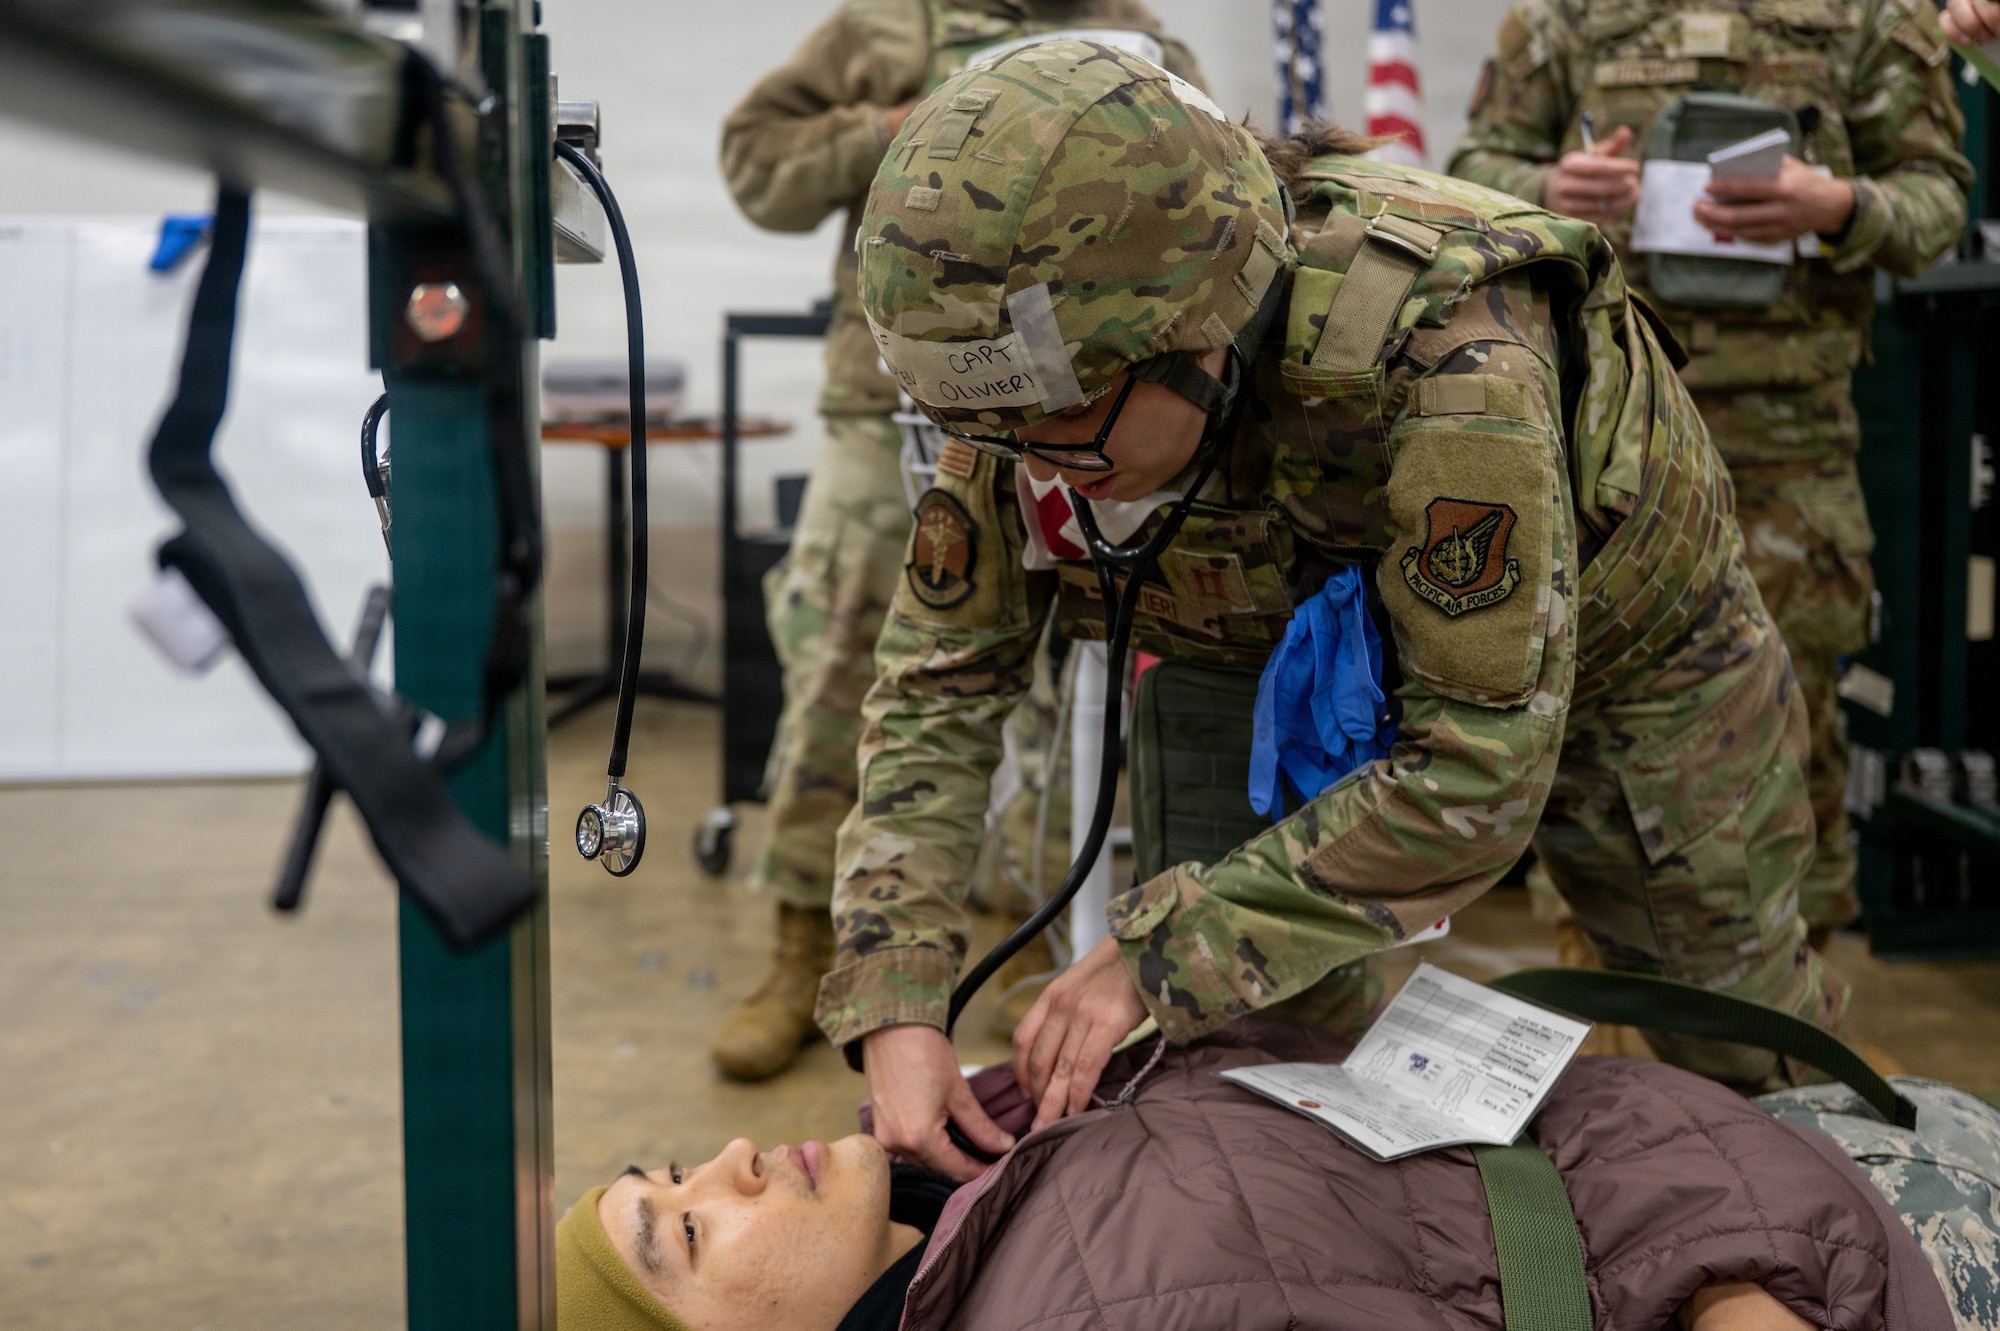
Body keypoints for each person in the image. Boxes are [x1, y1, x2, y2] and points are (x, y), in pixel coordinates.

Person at [821, 37, 1851, 1181]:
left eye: (1064, 437)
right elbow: (938, 684)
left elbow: (1475, 771)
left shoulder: (1449, 350)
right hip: (1260, 651)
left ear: (1198, 332)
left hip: (1630, 670)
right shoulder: (1036, 383)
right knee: (1246, 1071)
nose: (1028, 474)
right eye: (992, 434)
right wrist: (895, 992)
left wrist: (1153, 952)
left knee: (1739, 1066)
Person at [711, 0, 1206, 1082]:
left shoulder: (1136, 34)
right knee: (851, 669)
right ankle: (810, 949)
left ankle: (1038, 937)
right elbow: (754, 167)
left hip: (1092, 395)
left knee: (1096, 681)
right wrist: (893, 126)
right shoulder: (887, 24)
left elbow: (1208, 183)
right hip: (895, 401)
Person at [1445, 0, 1972, 941]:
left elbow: (1937, 195)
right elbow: (1475, 165)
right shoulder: (1565, 13)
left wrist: (1843, 205)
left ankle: (1789, 1045)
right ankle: (1600, 1034)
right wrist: (1550, 182)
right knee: (1588, 732)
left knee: (1789, 727)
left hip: (1791, 451)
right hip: (1611, 438)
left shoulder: (1866, 16)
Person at [552, 1021, 1995, 1331]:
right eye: (685, 1224)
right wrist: (1731, 1284)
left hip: (1769, 1158)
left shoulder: (981, 1187)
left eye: (679, 1166)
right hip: (1860, 1242)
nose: (734, 1157)